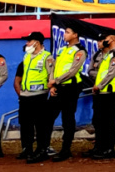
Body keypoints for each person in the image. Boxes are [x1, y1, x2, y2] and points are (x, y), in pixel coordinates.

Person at [38, 25, 86, 162]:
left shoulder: (80, 51)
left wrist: (55, 81)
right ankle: (43, 148)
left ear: (75, 35)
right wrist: (52, 84)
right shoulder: (62, 49)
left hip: (70, 88)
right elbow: (54, 67)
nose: (64, 34)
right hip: (58, 87)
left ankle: (66, 150)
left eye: (68, 32)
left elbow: (73, 71)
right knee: (47, 117)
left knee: (67, 119)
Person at [16, 32, 52, 161]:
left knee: (40, 125)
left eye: (29, 41)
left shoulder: (47, 57)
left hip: (39, 96)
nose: (27, 44)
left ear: (37, 42)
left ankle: (41, 150)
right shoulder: (27, 56)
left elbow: (51, 75)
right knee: (25, 124)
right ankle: (27, 149)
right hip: (25, 95)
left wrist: (51, 88)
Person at [89, 35, 115, 159]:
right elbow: (96, 72)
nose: (103, 42)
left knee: (108, 121)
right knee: (98, 121)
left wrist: (99, 85)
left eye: (106, 39)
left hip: (110, 92)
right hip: (100, 92)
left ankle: (109, 149)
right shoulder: (105, 55)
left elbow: (111, 74)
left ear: (113, 40)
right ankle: (99, 146)